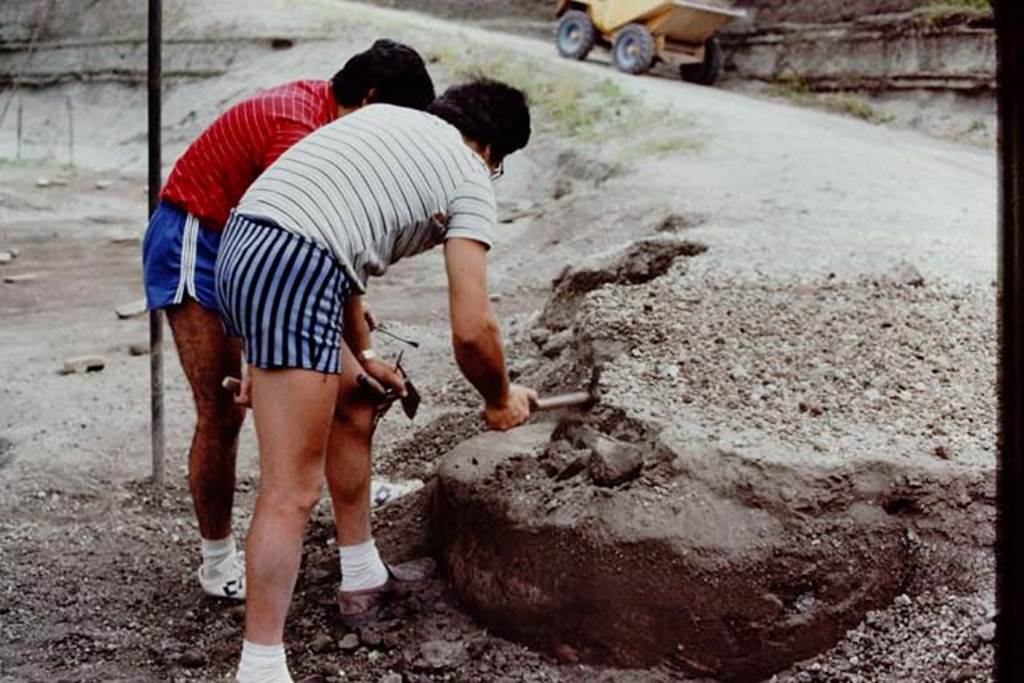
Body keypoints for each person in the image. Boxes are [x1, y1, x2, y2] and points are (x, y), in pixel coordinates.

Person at [216, 78, 536, 683]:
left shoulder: (385, 121)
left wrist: (359, 356)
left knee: (358, 399)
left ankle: (361, 575)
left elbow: (337, 248)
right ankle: (260, 668)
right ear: (493, 151)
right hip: (294, 263)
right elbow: (472, 328)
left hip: (247, 248)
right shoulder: (468, 172)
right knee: (291, 490)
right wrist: (500, 397)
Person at [141, 40, 435, 601]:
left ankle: (351, 489)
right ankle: (216, 561)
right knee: (223, 409)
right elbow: (284, 255)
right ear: (370, 99)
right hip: (197, 239)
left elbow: (333, 250)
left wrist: (361, 343)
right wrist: (258, 349)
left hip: (251, 247)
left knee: (331, 379)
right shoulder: (296, 131)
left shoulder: (332, 120)